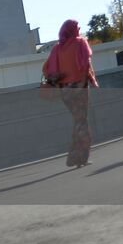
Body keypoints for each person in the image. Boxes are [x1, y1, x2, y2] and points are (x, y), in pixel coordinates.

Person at [41, 19, 99, 167]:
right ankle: (80, 158)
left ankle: (74, 158)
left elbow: (46, 69)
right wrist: (92, 81)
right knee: (82, 122)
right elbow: (86, 64)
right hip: (79, 87)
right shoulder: (81, 43)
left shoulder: (57, 49)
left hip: (65, 91)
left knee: (78, 120)